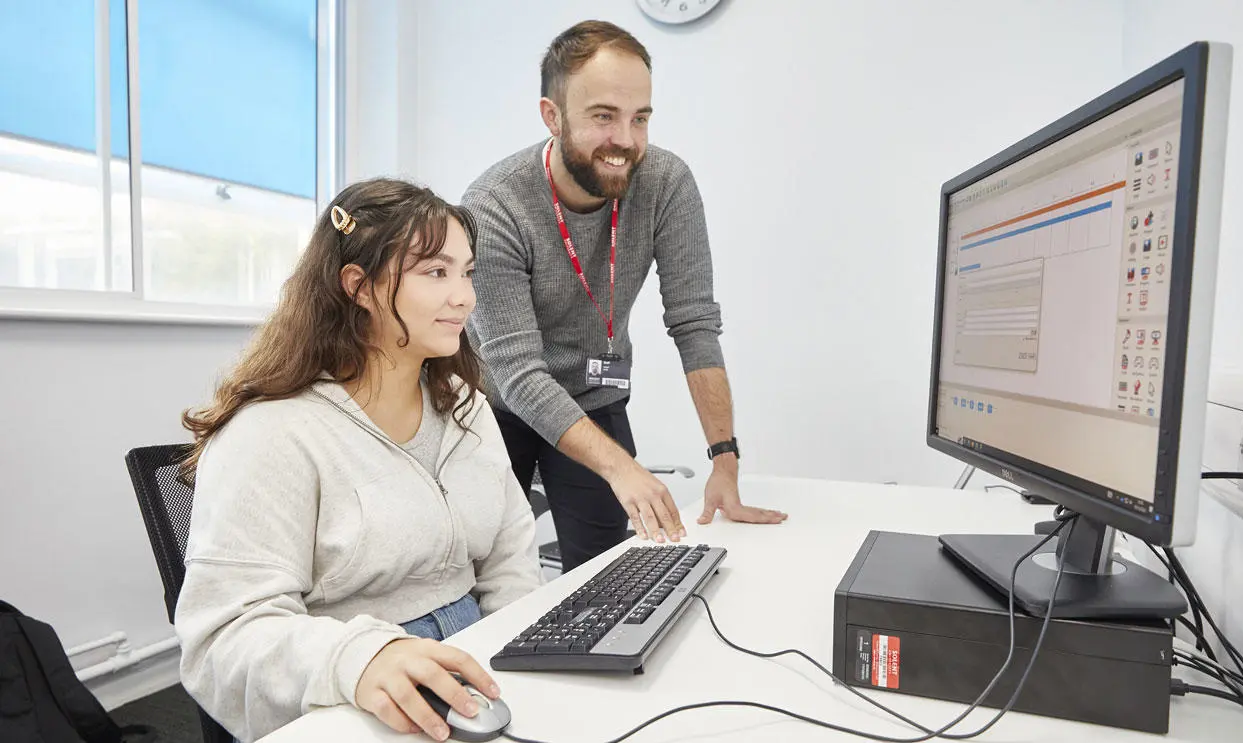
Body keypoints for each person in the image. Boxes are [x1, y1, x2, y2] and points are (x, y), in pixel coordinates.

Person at [173, 178, 541, 743]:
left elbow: (511, 556)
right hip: (348, 692)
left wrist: (523, 655)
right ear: (360, 287)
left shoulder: (467, 407)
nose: (465, 296)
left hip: (479, 670)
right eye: (435, 272)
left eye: (467, 272)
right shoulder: (272, 431)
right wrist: (359, 657)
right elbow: (222, 641)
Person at [462, 20, 786, 574]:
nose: (627, 141)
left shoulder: (665, 183)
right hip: (495, 406)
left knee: (608, 573)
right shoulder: (495, 206)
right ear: (552, 116)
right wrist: (623, 468)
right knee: (489, 572)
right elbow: (518, 375)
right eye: (604, 117)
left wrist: (724, 461)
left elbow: (694, 323)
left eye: (640, 118)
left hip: (593, 393)